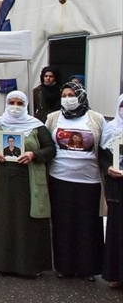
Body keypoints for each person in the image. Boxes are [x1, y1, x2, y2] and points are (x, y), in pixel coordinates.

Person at [0, 90, 55, 279]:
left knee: (27, 223)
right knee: (4, 222)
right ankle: (4, 264)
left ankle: (29, 266)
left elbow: (50, 149)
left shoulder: (37, 127)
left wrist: (33, 155)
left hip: (28, 182)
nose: (15, 106)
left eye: (19, 103)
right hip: (3, 182)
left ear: (25, 106)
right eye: (12, 102)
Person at [45, 82, 106, 281]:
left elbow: (106, 147)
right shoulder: (53, 118)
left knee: (88, 225)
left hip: (90, 181)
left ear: (80, 96)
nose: (67, 98)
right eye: (64, 95)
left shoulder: (96, 118)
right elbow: (45, 143)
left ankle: (87, 268)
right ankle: (64, 266)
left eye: (71, 94)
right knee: (63, 224)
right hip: (60, 178)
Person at [100, 94, 123, 289]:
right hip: (117, 186)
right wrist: (108, 169)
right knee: (117, 229)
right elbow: (103, 157)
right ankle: (117, 275)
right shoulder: (111, 129)